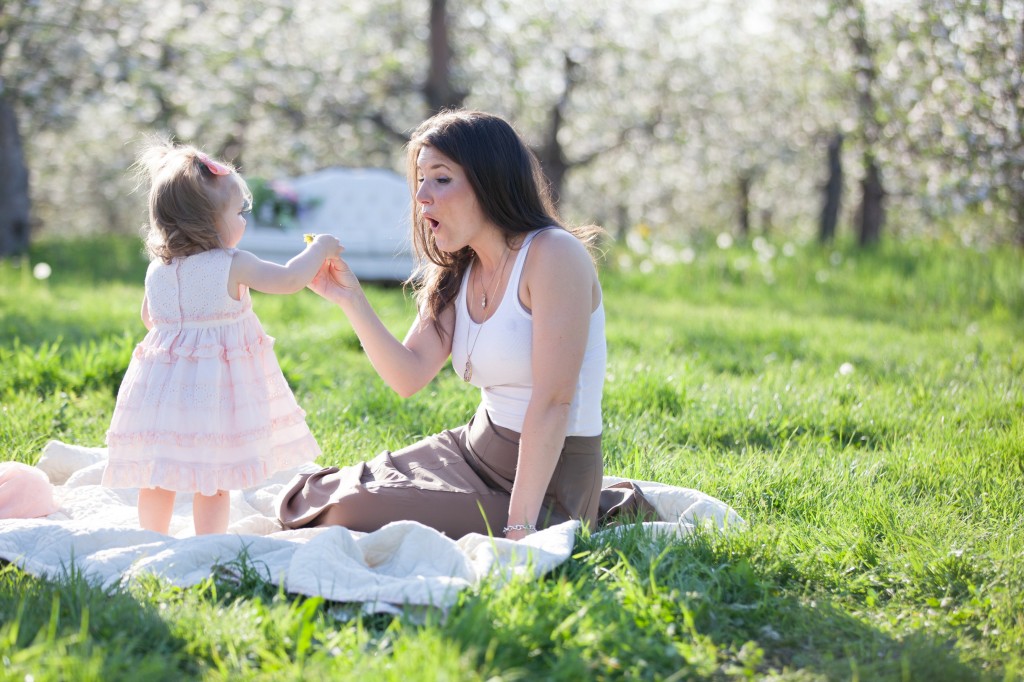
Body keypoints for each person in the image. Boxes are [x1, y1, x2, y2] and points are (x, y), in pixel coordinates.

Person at [275, 109, 606, 541]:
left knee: (343, 508)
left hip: (548, 479)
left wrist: (520, 525)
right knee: (317, 495)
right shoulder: (462, 266)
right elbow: (408, 375)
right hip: (472, 449)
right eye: (419, 180)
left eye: (441, 179)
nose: (421, 196)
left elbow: (554, 402)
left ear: (491, 181)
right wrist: (350, 298)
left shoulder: (554, 255)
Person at [102, 138, 342, 536]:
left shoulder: (158, 268)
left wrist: (186, 336)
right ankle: (209, 542)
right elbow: (288, 280)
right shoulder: (232, 264)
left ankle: (150, 536)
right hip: (213, 393)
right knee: (213, 477)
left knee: (158, 472)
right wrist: (320, 249)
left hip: (162, 394)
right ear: (210, 222)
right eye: (238, 212)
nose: (243, 221)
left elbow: (151, 319)